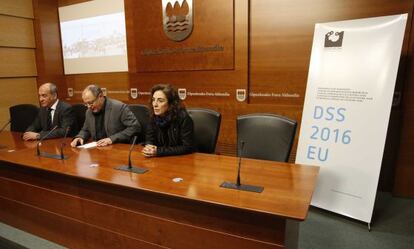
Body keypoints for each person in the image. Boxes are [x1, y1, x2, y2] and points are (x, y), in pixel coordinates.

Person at [70, 85, 141, 147]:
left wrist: (111, 139)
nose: (88, 106)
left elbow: (135, 127)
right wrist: (80, 137)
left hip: (117, 149)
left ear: (100, 96)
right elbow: (85, 130)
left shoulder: (118, 107)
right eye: (86, 104)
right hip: (97, 150)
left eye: (91, 103)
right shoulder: (89, 112)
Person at [142, 84, 194, 157]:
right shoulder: (153, 117)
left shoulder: (183, 118)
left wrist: (159, 152)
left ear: (170, 104)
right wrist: (149, 148)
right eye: (153, 100)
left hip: (181, 160)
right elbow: (150, 139)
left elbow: (187, 147)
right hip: (159, 160)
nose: (155, 104)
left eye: (160, 101)